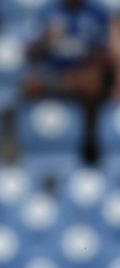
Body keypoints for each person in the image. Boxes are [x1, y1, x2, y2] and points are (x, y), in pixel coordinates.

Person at [23, 0, 112, 164]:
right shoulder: (48, 11)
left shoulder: (97, 12)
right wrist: (44, 39)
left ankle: (90, 148)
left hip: (83, 73)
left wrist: (83, 70)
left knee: (93, 84)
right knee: (29, 84)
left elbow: (107, 54)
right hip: (54, 74)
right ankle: (31, 150)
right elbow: (29, 53)